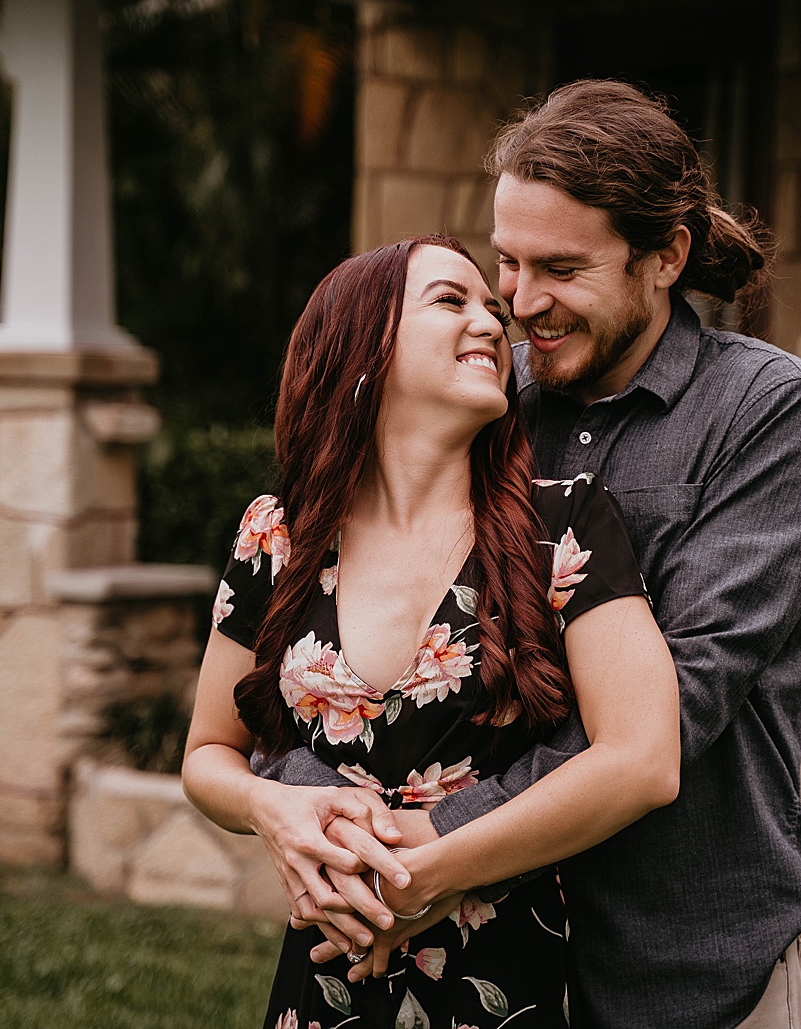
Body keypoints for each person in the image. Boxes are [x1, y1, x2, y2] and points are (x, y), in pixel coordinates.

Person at [257, 80, 801, 1029]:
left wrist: (442, 845)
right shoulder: (485, 397)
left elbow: (684, 696)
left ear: (666, 257)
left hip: (680, 963)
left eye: (561, 269)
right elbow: (350, 616)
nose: (521, 304)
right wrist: (320, 814)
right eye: (507, 264)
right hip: (476, 966)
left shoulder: (768, 414)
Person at [181, 233, 682, 1029]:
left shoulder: (564, 524)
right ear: (361, 348)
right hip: (325, 974)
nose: (492, 321)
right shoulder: (275, 537)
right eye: (451, 301)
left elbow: (644, 761)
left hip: (501, 978)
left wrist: (433, 869)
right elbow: (209, 752)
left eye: (491, 306)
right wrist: (271, 810)